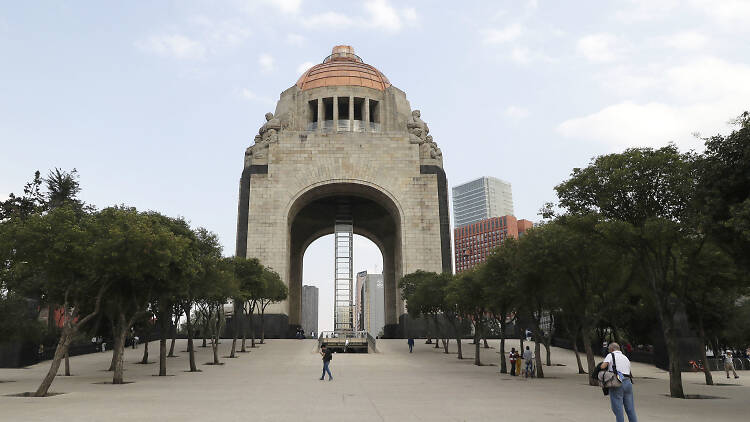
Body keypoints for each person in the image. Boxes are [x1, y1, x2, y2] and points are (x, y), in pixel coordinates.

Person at [601, 342, 638, 422]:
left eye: (608, 349)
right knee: (630, 408)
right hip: (628, 382)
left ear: (611, 349)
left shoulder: (610, 355)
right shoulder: (625, 357)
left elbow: (603, 366)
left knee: (618, 409)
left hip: (617, 381)